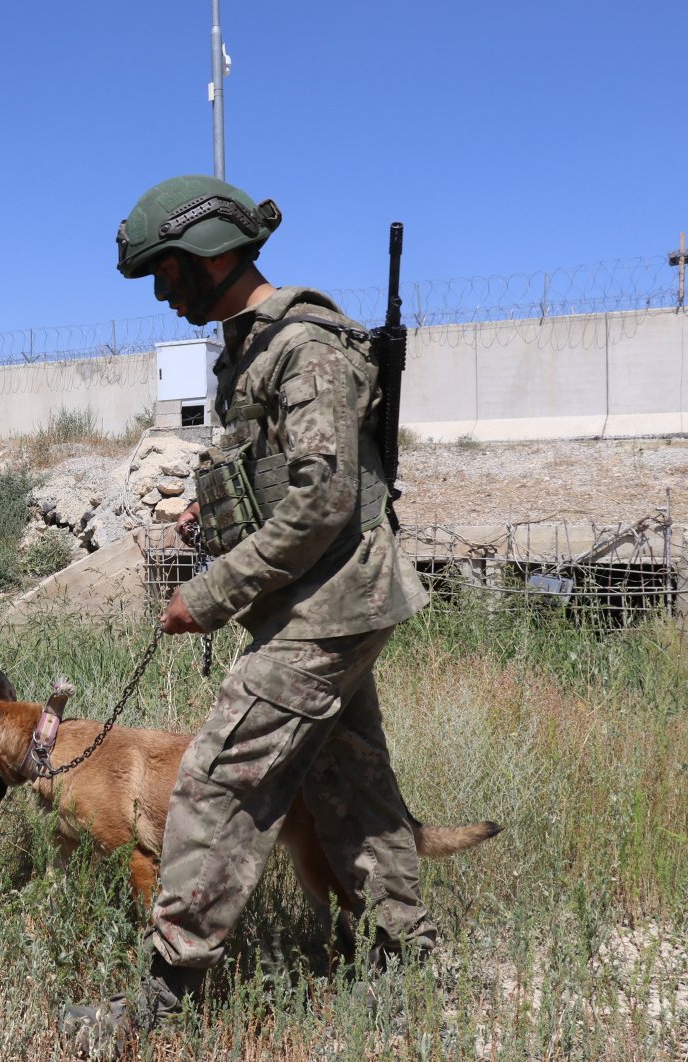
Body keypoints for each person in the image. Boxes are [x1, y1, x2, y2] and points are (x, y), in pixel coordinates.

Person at [61, 175, 433, 1056]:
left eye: (169, 270)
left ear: (214, 253)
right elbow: (271, 475)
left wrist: (214, 589)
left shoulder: (302, 349)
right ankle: (413, 966)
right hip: (321, 599)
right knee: (353, 792)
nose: (163, 289)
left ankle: (164, 998)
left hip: (327, 605)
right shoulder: (250, 349)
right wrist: (210, 510)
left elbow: (322, 502)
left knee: (215, 781)